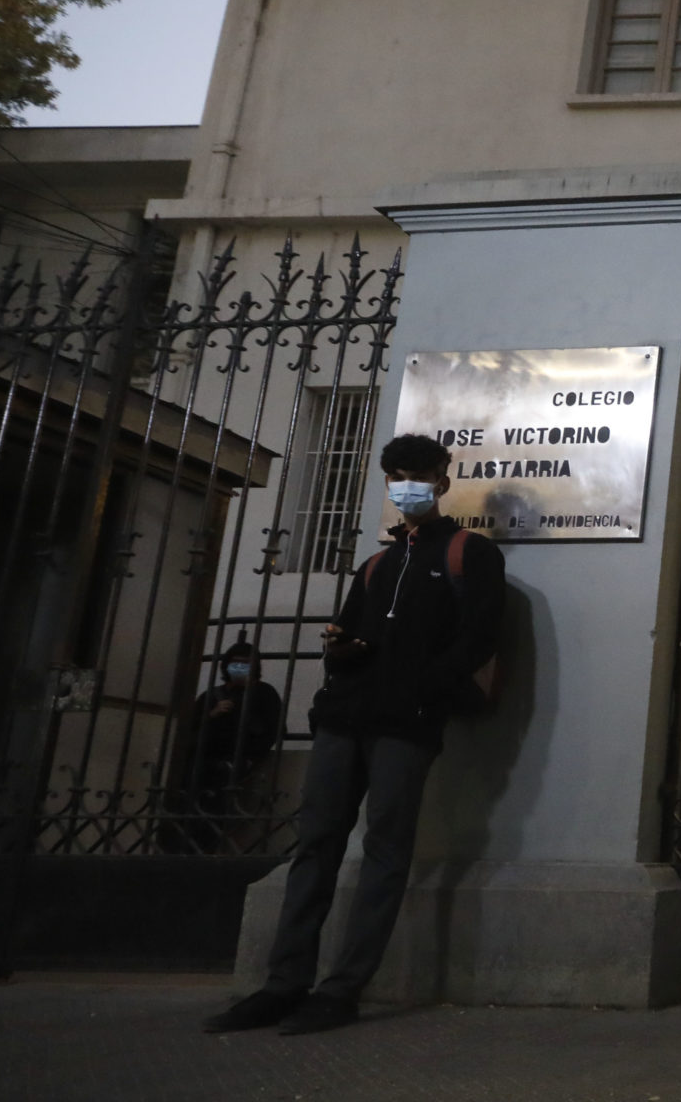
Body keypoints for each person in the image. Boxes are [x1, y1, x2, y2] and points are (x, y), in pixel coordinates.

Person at [203, 434, 506, 1037]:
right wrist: (343, 653)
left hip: (407, 722)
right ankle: (282, 984)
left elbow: (477, 639)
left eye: (418, 475)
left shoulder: (469, 553)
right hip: (345, 719)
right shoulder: (377, 563)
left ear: (442, 482)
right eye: (396, 477)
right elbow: (344, 636)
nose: (407, 486)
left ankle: (341, 990)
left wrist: (419, 686)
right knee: (314, 846)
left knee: (385, 851)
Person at [162, 638, 284, 853]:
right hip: (198, 764)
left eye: (245, 663)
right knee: (186, 813)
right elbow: (188, 728)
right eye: (235, 663)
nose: (239, 668)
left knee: (215, 816)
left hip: (231, 765)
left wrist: (249, 758)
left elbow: (274, 730)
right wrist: (213, 714)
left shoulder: (264, 694)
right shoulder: (211, 696)